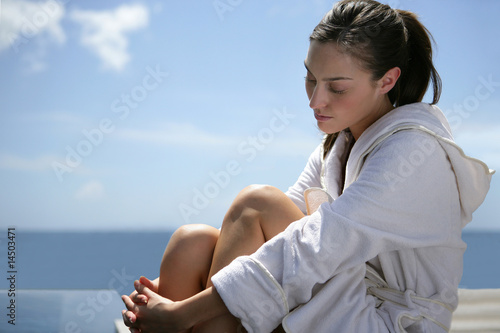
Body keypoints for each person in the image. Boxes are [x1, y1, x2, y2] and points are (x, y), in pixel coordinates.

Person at [121, 0, 494, 332]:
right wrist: (180, 290)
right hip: (344, 293)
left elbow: (311, 246)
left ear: (387, 80)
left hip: (388, 319)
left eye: (337, 88)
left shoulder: (414, 153)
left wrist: (185, 311)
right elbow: (283, 226)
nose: (316, 100)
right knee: (192, 243)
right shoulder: (338, 143)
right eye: (311, 79)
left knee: (256, 202)